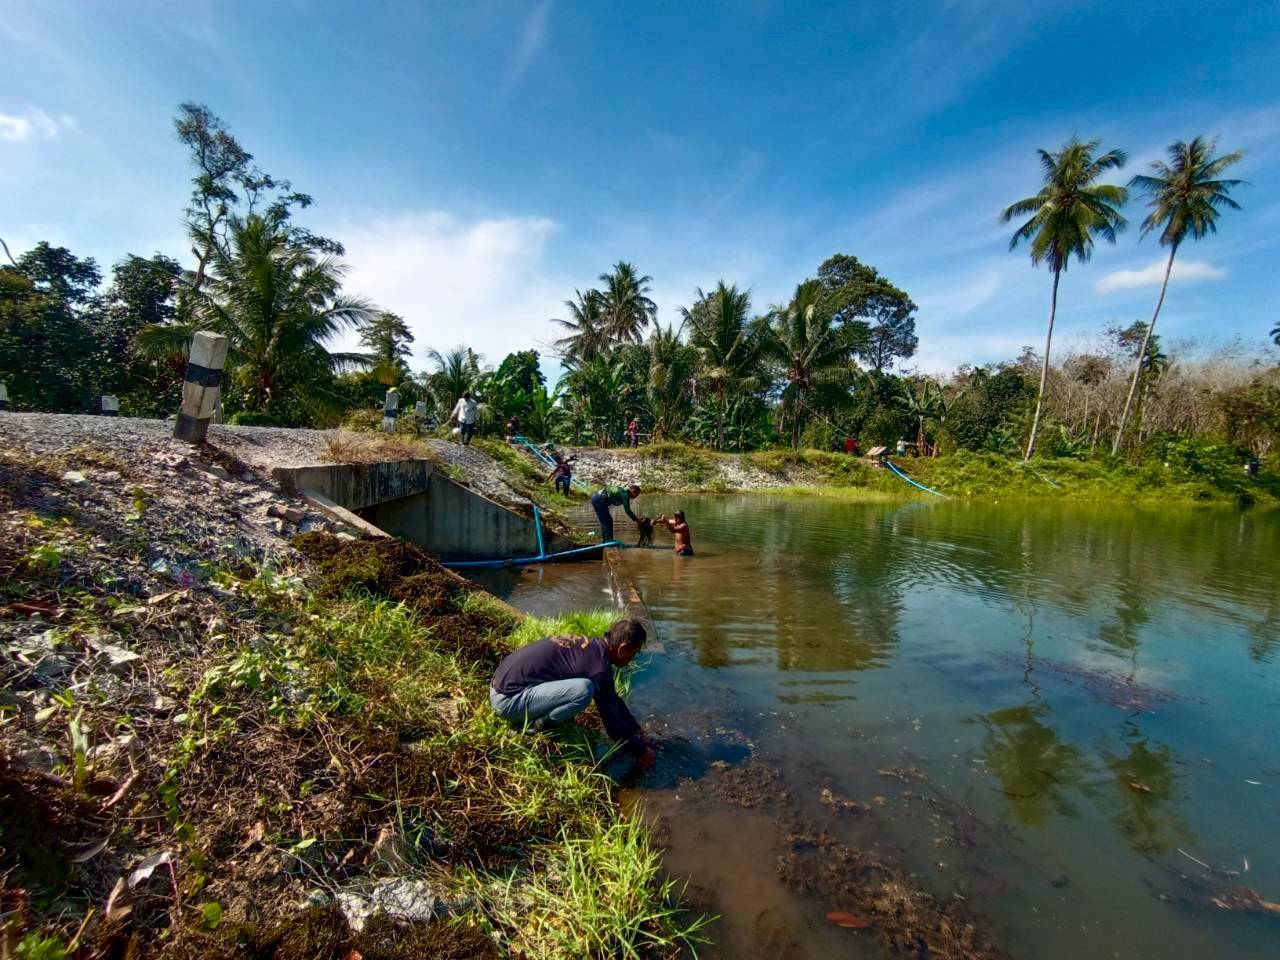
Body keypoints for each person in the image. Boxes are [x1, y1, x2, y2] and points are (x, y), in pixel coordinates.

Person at [489, 618, 656, 768]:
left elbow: (611, 697)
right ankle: (533, 726)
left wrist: (636, 731)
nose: (632, 659)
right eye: (634, 653)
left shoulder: (592, 648)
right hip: (508, 701)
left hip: (501, 683)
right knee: (584, 690)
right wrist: (642, 752)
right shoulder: (598, 669)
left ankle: (536, 716)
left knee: (587, 688)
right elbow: (613, 725)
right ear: (622, 648)